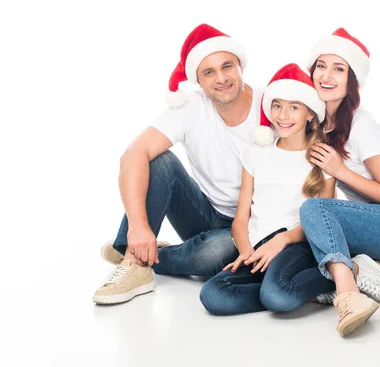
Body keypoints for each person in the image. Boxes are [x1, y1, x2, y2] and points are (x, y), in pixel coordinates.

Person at [93, 23, 264, 305]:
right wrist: (138, 227)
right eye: (209, 72)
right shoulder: (190, 107)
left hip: (257, 226)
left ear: (241, 67)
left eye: (227, 66)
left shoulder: (271, 104)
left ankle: (137, 253)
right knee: (158, 160)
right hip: (209, 215)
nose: (221, 78)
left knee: (216, 253)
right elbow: (133, 154)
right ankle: (135, 260)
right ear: (198, 79)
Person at [198, 63, 376, 327]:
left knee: (277, 298)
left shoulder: (321, 158)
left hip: (297, 243)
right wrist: (247, 251)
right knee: (213, 295)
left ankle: (351, 273)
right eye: (277, 105)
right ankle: (301, 290)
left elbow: (322, 220)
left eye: (294, 107)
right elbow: (240, 218)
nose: (283, 115)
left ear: (310, 115)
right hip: (259, 247)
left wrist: (282, 240)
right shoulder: (256, 152)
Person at [299, 28, 380, 329]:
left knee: (312, 212)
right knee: (312, 232)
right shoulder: (318, 123)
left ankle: (348, 295)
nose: (327, 76)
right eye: (321, 66)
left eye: (339, 69)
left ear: (351, 80)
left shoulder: (362, 125)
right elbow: (328, 205)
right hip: (377, 230)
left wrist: (340, 170)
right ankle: (378, 273)